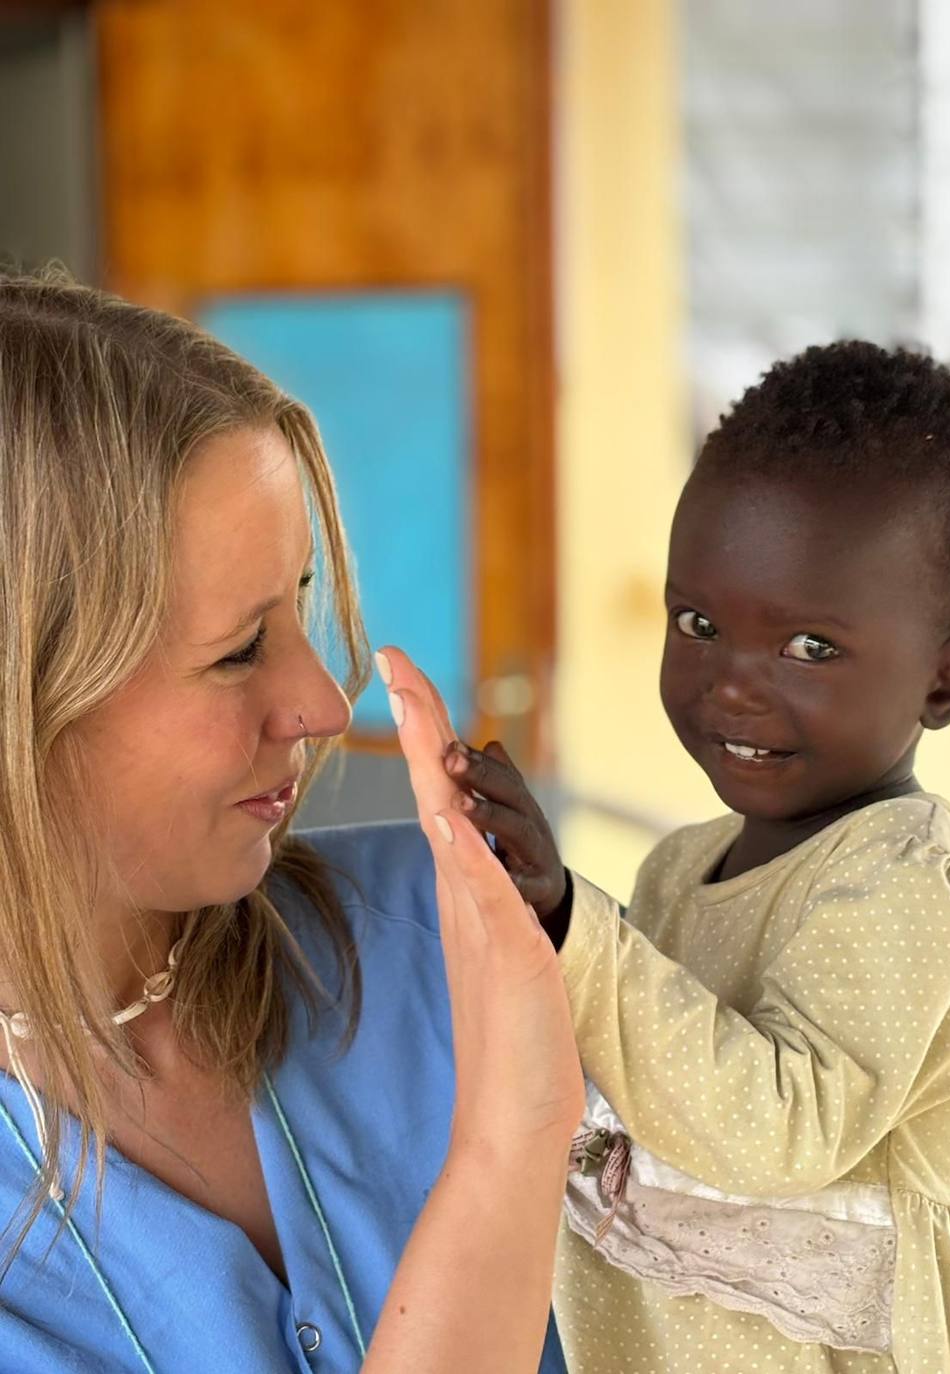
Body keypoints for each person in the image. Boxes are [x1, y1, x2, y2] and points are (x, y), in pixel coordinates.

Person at [0, 270, 579, 1373]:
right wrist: (512, 1140)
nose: (321, 703)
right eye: (236, 651)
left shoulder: (452, 929)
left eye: (302, 603)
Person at [443, 343, 950, 1370]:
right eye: (698, 623)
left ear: (949, 679)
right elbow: (633, 1074)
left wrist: (576, 928)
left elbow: (771, 1133)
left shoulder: (904, 874)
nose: (730, 685)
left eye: (807, 647)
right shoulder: (679, 869)